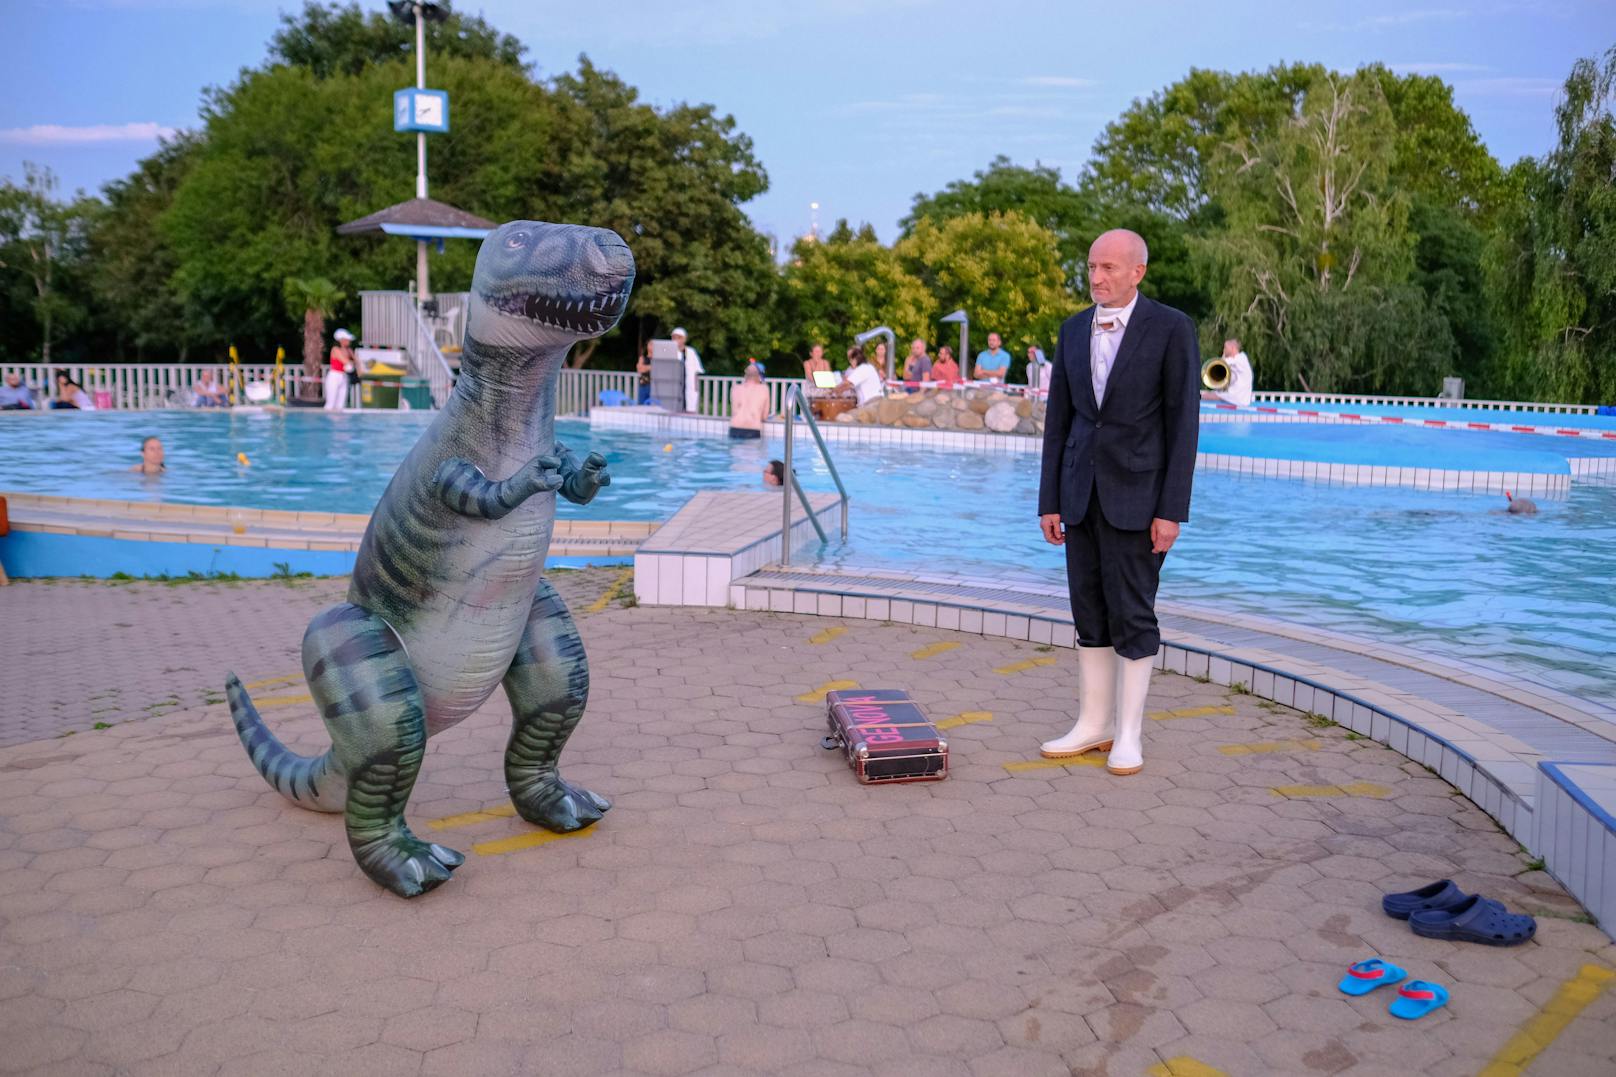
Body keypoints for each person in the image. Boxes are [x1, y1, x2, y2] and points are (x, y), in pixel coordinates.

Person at [1036, 228, 1198, 778]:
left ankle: (1129, 734)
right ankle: (1092, 723)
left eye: (1108, 268)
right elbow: (1059, 422)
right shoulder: (1072, 328)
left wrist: (1171, 510)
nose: (1097, 277)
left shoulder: (1172, 328)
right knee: (1089, 611)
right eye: (1091, 267)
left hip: (1140, 498)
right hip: (1079, 496)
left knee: (1133, 613)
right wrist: (1049, 500)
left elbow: (1183, 425)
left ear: (1137, 272)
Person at [1200, 338, 1254, 407]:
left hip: (1237, 397)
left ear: (1232, 348)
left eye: (1225, 347)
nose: (1224, 349)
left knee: (1204, 396)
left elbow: (1220, 363)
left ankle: (1194, 398)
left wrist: (1224, 355)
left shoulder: (1240, 358)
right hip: (1236, 396)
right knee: (1207, 394)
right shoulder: (1237, 360)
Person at [730, 364, 769, 439]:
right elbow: (764, 416)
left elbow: (734, 411)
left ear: (745, 375)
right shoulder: (764, 389)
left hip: (734, 428)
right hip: (752, 429)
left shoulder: (735, 388)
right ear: (759, 377)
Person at [672, 327, 703, 413]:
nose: (676, 340)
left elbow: (696, 370)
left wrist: (696, 387)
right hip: (675, 385)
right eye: (674, 337)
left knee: (689, 409)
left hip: (689, 385)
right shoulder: (669, 351)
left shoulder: (691, 352)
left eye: (679, 337)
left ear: (684, 339)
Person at [326, 329, 356, 412]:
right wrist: (354, 362)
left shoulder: (349, 350)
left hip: (344, 376)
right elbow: (345, 361)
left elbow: (355, 361)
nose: (349, 341)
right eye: (347, 339)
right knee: (331, 404)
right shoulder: (335, 349)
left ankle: (339, 423)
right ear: (341, 340)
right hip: (334, 376)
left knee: (341, 405)